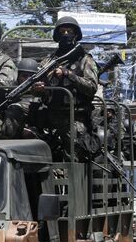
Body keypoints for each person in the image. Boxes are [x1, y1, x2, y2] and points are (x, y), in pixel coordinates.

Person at [32, 15, 99, 161]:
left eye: (70, 31)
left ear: (76, 34)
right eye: (62, 31)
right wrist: (38, 88)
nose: (66, 34)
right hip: (51, 114)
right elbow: (37, 82)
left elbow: (92, 87)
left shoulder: (85, 60)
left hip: (75, 116)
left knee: (74, 154)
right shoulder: (49, 60)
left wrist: (68, 74)